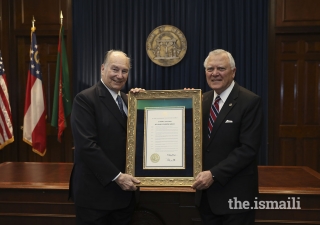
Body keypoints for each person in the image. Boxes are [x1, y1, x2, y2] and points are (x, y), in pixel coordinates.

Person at [69, 50, 141, 225]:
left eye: (124, 71)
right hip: (95, 198)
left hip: (123, 197)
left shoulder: (128, 100)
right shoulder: (85, 99)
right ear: (102, 69)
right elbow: (87, 146)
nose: (119, 75)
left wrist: (144, 102)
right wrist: (117, 177)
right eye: (114, 69)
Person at [191, 49, 262, 225]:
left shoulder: (249, 101)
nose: (214, 73)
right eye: (210, 69)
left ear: (233, 71)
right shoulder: (200, 100)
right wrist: (184, 100)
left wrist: (213, 174)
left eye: (221, 68)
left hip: (236, 197)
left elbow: (248, 149)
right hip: (206, 198)